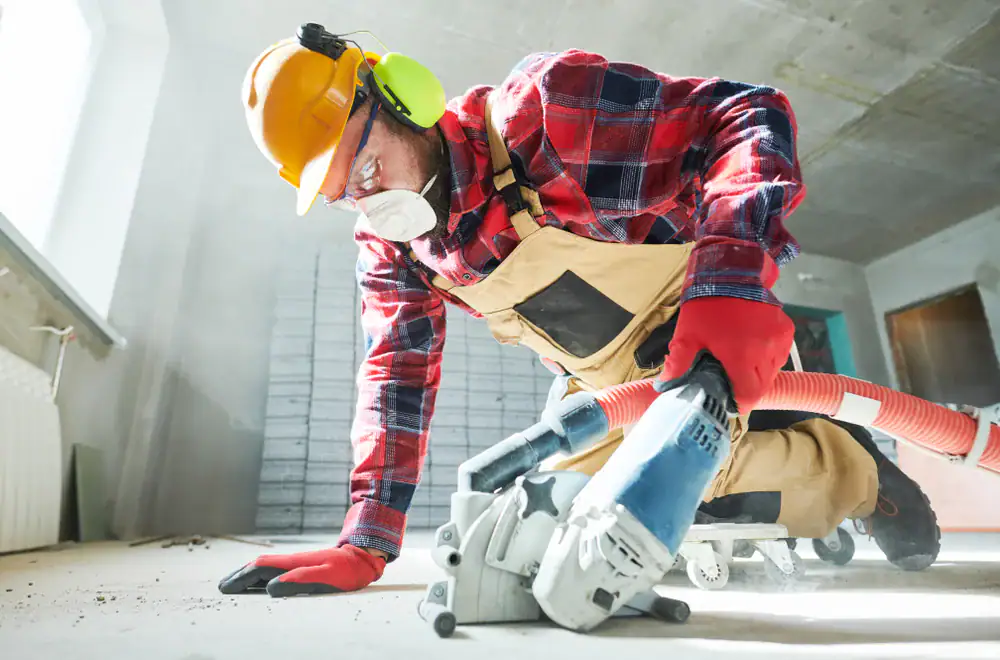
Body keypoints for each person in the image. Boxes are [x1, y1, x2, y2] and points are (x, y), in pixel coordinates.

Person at [219, 25, 940, 598]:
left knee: (686, 478)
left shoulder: (540, 119)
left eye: (368, 168)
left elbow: (746, 113)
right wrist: (365, 540)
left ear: (404, 97)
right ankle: (802, 455)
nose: (371, 203)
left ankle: (861, 476)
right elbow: (396, 382)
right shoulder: (393, 247)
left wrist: (733, 277)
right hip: (597, 378)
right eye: (347, 192)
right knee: (556, 513)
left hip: (702, 326)